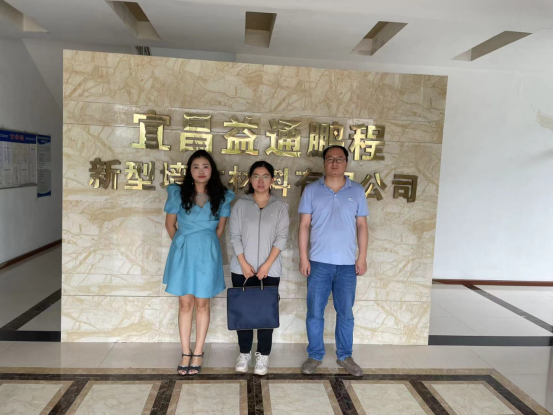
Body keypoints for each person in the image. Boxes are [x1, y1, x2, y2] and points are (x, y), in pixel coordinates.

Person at [298, 145, 369, 376]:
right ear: (324, 163)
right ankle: (314, 355)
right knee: (314, 312)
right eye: (330, 159)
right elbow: (304, 225)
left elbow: (362, 225)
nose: (335, 163)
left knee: (345, 312)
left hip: (347, 264)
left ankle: (345, 355)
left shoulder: (357, 190)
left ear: (346, 162)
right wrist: (303, 257)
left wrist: (362, 256)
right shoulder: (311, 190)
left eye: (339, 159)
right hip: (318, 262)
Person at [163, 150, 235, 376]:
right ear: (190, 171)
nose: (201, 171)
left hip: (207, 253)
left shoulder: (223, 196)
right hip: (183, 253)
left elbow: (220, 229)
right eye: (196, 166)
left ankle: (198, 352)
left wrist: (205, 245)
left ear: (212, 170)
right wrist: (182, 245)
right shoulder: (177, 194)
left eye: (205, 166)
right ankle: (185, 352)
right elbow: (170, 225)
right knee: (185, 304)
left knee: (202, 303)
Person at [229, 161, 289, 375]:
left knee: (266, 313)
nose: (260, 181)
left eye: (265, 176)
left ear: (272, 179)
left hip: (270, 270)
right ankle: (244, 352)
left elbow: (282, 238)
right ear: (250, 179)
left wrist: (266, 265)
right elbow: (234, 236)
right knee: (243, 313)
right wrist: (244, 263)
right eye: (256, 176)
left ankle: (263, 355)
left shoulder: (280, 206)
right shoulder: (240, 205)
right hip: (241, 269)